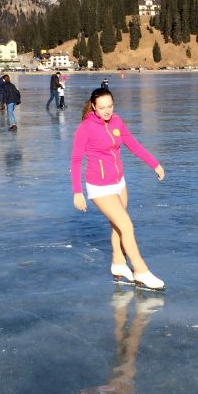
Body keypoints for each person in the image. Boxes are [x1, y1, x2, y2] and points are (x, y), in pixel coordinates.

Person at [70, 87, 166, 290]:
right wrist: (77, 192)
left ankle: (118, 263)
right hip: (99, 187)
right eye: (102, 107)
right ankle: (141, 271)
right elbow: (76, 160)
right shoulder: (85, 128)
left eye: (110, 106)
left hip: (119, 182)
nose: (107, 111)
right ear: (94, 107)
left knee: (118, 225)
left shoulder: (117, 122)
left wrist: (154, 164)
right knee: (126, 225)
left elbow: (132, 144)